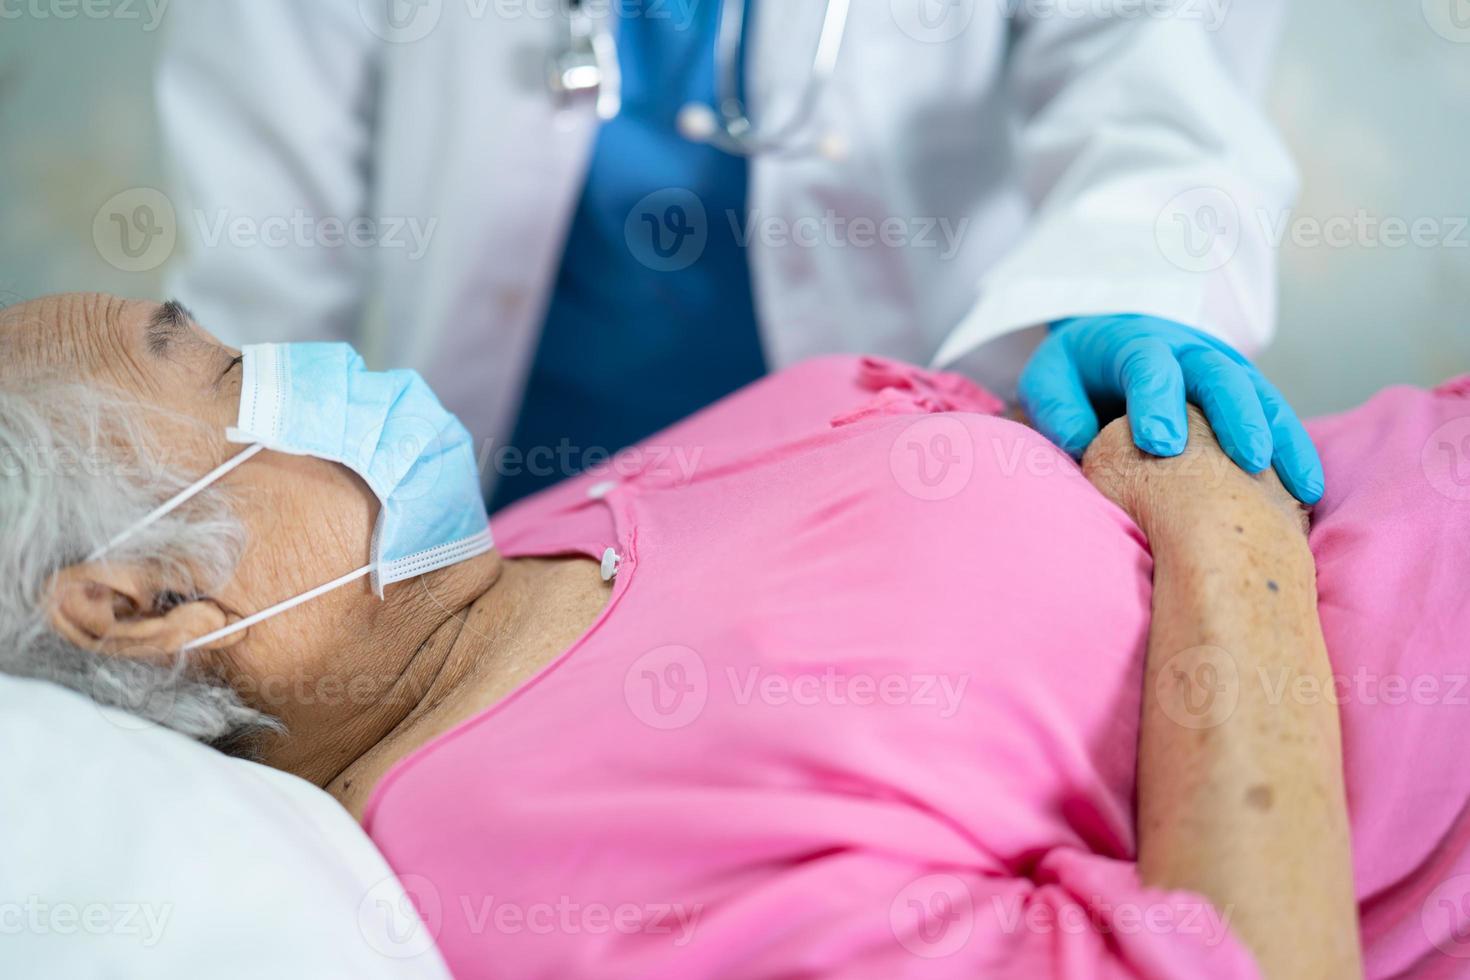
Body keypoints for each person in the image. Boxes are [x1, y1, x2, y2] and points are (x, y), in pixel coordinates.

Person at [11, 293, 1470, 976]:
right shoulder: (544, 884)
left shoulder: (508, 557)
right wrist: (1227, 523)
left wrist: (1055, 366)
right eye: (207, 362)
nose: (299, 356)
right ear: (146, 604)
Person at [156, 0, 1321, 508]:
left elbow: (1163, 82)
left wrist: (1133, 284)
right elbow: (264, 273)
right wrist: (236, 513)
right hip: (486, 519)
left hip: (897, 507)